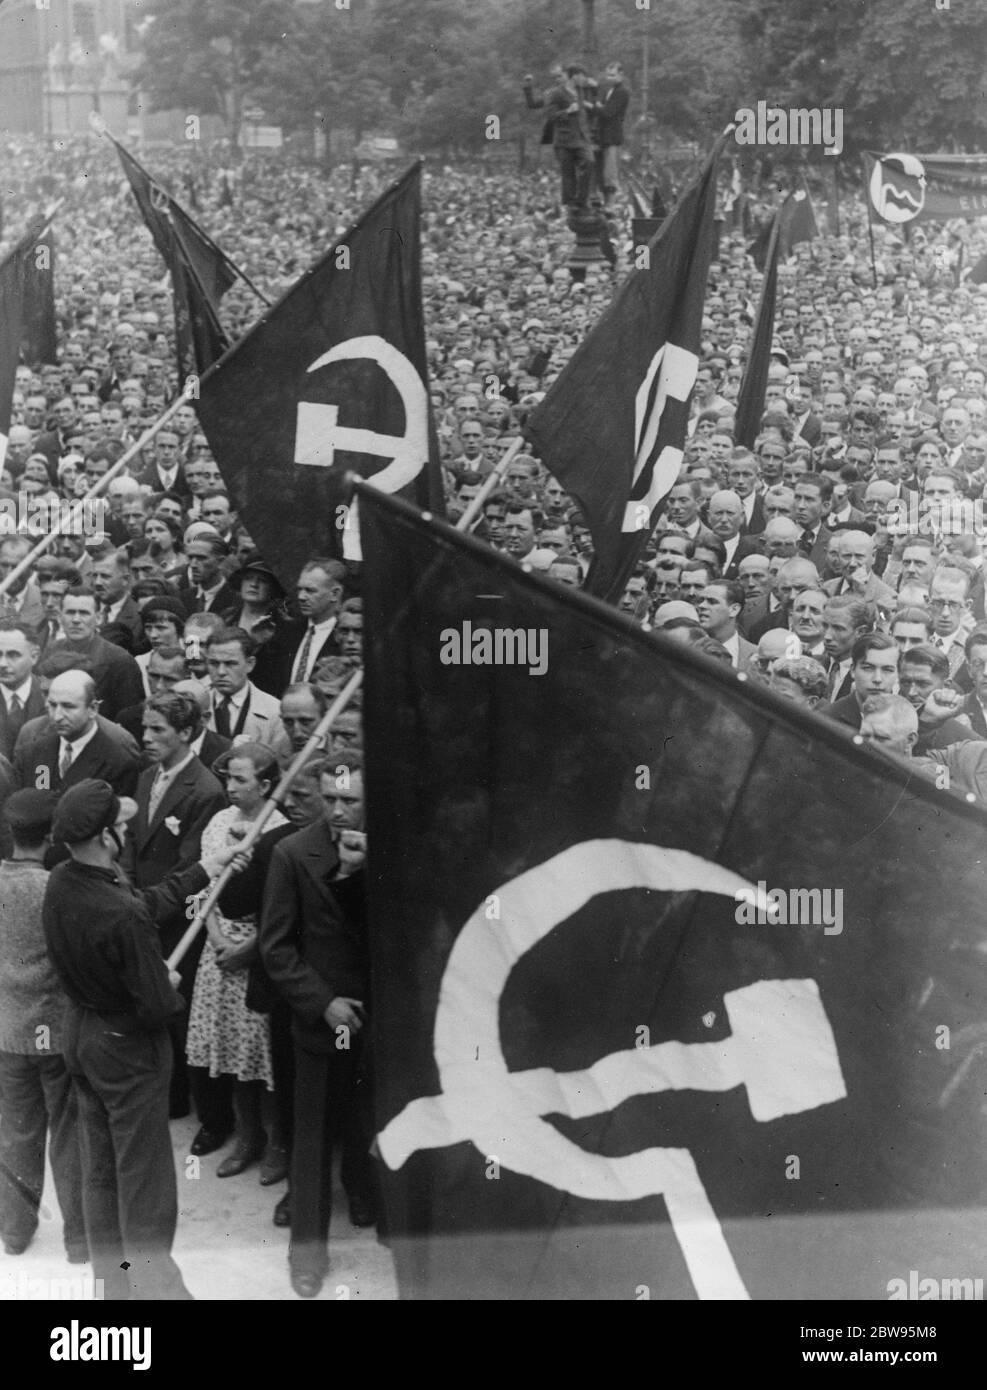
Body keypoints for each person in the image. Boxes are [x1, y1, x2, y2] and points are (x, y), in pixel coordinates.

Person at [259, 752, 377, 1298]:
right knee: (311, 1140)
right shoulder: (290, 853)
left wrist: (360, 872)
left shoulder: (391, 849)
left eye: (349, 800)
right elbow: (276, 949)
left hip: (379, 1021)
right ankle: (307, 1256)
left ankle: (370, 1200)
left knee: (372, 1124)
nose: (337, 810)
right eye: (329, 798)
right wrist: (323, 1002)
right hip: (322, 1021)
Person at [186, 743, 289, 1178]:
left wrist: (248, 948)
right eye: (227, 778)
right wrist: (217, 938)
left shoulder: (281, 830)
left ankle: (278, 1143)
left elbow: (284, 906)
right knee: (231, 1052)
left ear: (265, 784)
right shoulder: (219, 822)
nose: (229, 786)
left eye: (240, 779)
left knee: (261, 1055)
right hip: (219, 951)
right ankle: (246, 1137)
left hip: (259, 953)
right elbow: (203, 888)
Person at [0, 789, 86, 1262]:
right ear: (52, 835)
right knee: (70, 1134)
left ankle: (15, 1232)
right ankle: (78, 1239)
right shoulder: (57, 886)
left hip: (8, 1032)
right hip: (54, 1032)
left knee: (16, 1133)